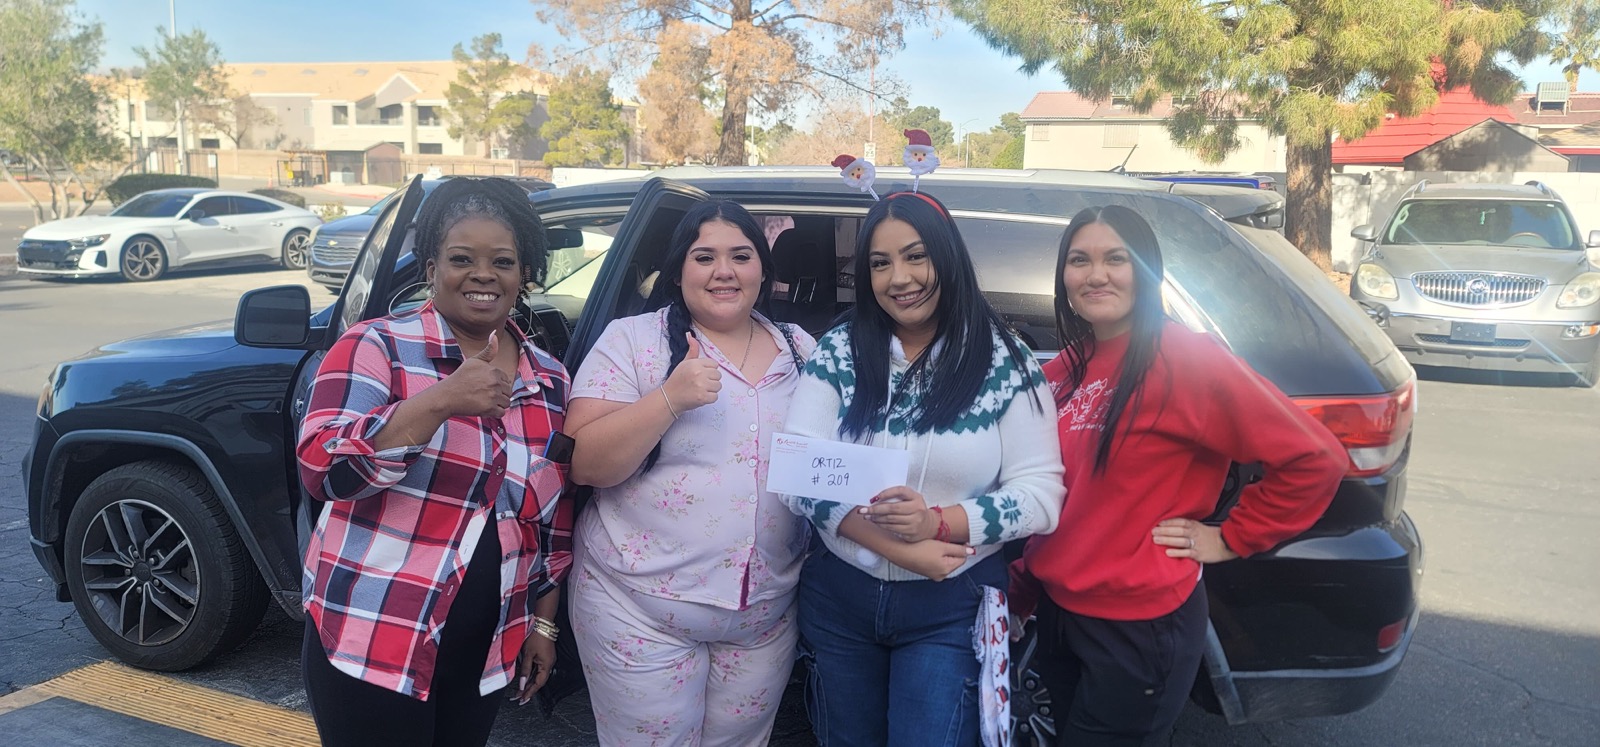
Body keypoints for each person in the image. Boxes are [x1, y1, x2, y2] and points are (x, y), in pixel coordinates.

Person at [1015, 204, 1348, 745]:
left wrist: (1230, 538)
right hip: (1060, 614)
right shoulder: (1066, 368)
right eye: (1079, 261)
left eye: (1116, 258)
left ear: (1146, 269)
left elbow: (1315, 458)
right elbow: (1058, 496)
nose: (1096, 275)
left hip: (1138, 629)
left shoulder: (1187, 358)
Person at [779, 191, 1066, 747]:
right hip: (841, 598)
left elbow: (1040, 496)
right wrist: (901, 547)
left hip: (952, 602)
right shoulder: (839, 351)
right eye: (880, 263)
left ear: (947, 256)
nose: (899, 279)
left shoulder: (1005, 362)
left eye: (916, 256)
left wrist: (939, 522)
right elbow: (797, 468)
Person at [296, 177, 573, 747]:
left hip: (485, 649)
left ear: (524, 274)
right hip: (373, 636)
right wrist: (438, 402)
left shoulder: (550, 381)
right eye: (461, 259)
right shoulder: (375, 346)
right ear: (431, 268)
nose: (483, 274)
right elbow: (323, 469)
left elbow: (552, 519)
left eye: (502, 261)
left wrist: (543, 624)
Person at [563, 199, 816, 746]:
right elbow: (584, 463)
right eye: (704, 257)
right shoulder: (633, 341)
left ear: (763, 270)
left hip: (764, 617)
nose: (724, 271)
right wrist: (669, 399)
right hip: (637, 609)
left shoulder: (800, 349)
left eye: (741, 256)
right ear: (678, 271)